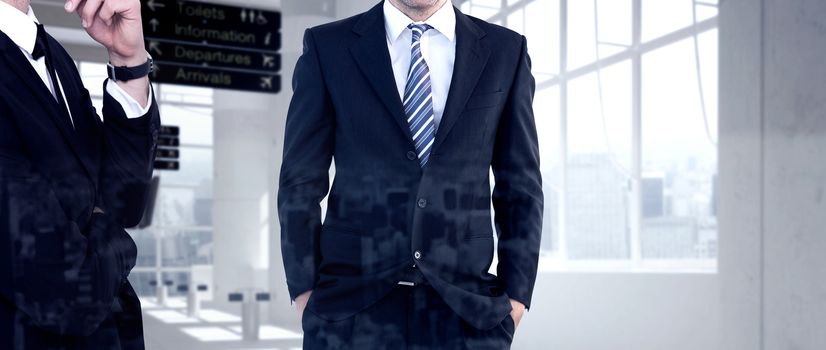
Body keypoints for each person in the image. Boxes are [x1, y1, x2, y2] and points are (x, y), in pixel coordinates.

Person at [278, 0, 542, 348]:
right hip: (350, 311)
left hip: (467, 311)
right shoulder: (328, 46)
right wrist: (304, 289)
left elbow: (520, 185)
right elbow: (300, 180)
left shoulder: (505, 51)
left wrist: (517, 296)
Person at [0, 0, 159, 349]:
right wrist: (115, 236)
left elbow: (126, 202)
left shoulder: (51, 52)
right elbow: (68, 292)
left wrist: (128, 62)